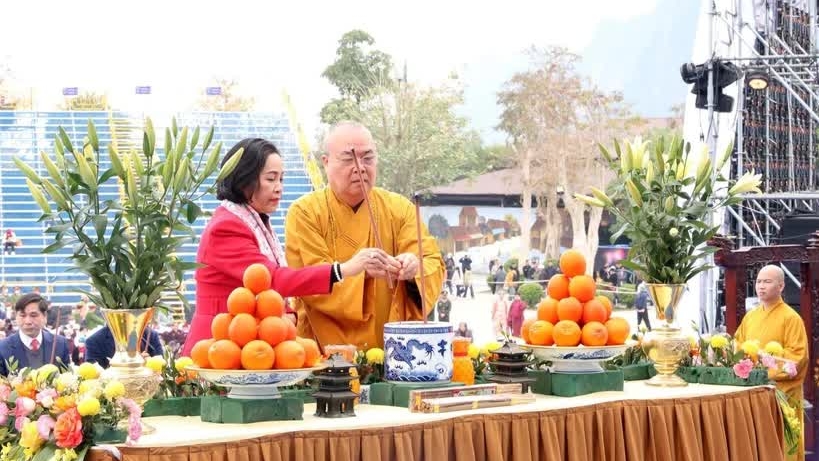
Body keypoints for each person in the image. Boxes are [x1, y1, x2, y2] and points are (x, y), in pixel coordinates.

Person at [182, 137, 379, 356]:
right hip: (218, 345)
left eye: (282, 179)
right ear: (243, 180)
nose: (279, 189)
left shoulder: (254, 220)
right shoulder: (226, 227)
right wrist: (343, 269)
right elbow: (273, 280)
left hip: (248, 344)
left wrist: (289, 315)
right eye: (271, 179)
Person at [285, 122, 445, 349]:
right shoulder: (305, 212)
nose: (360, 167)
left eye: (367, 158)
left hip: (396, 353)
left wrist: (413, 269)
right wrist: (360, 272)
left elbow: (431, 262)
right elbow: (308, 280)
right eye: (348, 159)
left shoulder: (399, 208)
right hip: (326, 355)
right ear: (326, 162)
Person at [735, 265, 808, 461]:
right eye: (758, 281)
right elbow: (738, 346)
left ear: (781, 286)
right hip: (752, 392)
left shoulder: (791, 318)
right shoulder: (751, 316)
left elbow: (797, 358)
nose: (761, 286)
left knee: (782, 445)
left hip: (779, 393)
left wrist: (764, 365)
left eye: (767, 281)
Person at [0, 293, 70, 375]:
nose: (28, 321)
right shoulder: (3, 348)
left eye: (33, 315)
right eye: (22, 315)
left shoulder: (60, 344)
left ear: (45, 317)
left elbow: (67, 379)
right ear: (16, 317)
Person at [85, 326, 164, 368]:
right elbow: (93, 376)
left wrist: (149, 363)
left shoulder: (151, 335)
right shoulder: (94, 341)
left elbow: (163, 368)